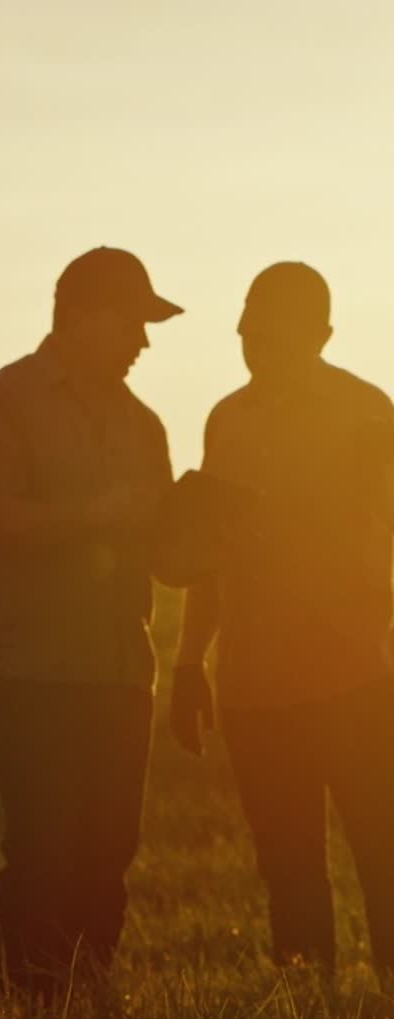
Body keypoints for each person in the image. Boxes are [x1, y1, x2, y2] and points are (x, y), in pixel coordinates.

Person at [0, 246, 183, 996]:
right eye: (133, 324)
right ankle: (31, 1007)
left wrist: (204, 536)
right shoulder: (0, 403)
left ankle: (89, 994)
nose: (144, 344)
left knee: (110, 846)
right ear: (81, 318)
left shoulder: (143, 424)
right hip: (33, 663)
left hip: (121, 661)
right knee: (44, 844)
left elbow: (161, 554)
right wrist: (93, 518)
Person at [170, 262, 394, 976]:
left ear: (321, 335)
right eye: (247, 326)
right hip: (253, 684)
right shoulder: (226, 420)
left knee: (383, 851)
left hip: (357, 675)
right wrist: (186, 664)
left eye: (271, 331)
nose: (251, 341)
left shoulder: (369, 413)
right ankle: (307, 1013)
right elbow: (208, 552)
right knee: (286, 862)